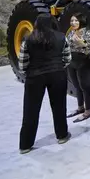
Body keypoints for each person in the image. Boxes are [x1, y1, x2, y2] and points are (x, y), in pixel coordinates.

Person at [18, 13, 72, 154]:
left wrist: (29, 74)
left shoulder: (28, 39)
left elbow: (22, 64)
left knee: (30, 111)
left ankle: (25, 145)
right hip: (57, 75)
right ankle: (62, 136)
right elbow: (67, 58)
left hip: (35, 77)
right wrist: (58, 68)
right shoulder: (61, 37)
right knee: (59, 107)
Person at [66, 13, 90, 122]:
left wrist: (79, 41)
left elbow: (89, 48)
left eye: (76, 21)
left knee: (85, 86)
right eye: (72, 21)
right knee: (76, 86)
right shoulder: (71, 33)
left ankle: (88, 111)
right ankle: (80, 108)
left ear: (81, 21)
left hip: (84, 61)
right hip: (72, 61)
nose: (73, 23)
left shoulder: (88, 32)